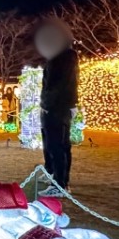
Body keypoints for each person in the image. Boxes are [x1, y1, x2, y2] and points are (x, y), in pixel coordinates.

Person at [36, 17, 78, 192]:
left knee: (56, 146)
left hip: (56, 108)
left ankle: (60, 183)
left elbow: (56, 85)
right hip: (60, 107)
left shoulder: (62, 57)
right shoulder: (66, 56)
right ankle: (58, 179)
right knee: (58, 145)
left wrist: (46, 104)